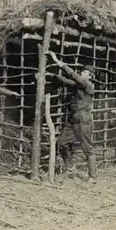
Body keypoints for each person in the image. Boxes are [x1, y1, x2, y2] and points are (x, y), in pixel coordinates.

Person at [46, 51, 97, 183]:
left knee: (87, 147)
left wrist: (58, 61)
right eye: (83, 72)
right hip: (72, 119)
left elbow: (73, 76)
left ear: (90, 77)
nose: (82, 73)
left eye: (85, 73)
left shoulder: (88, 85)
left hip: (83, 120)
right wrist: (52, 75)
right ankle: (70, 167)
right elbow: (67, 80)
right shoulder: (79, 85)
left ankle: (92, 176)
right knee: (62, 143)